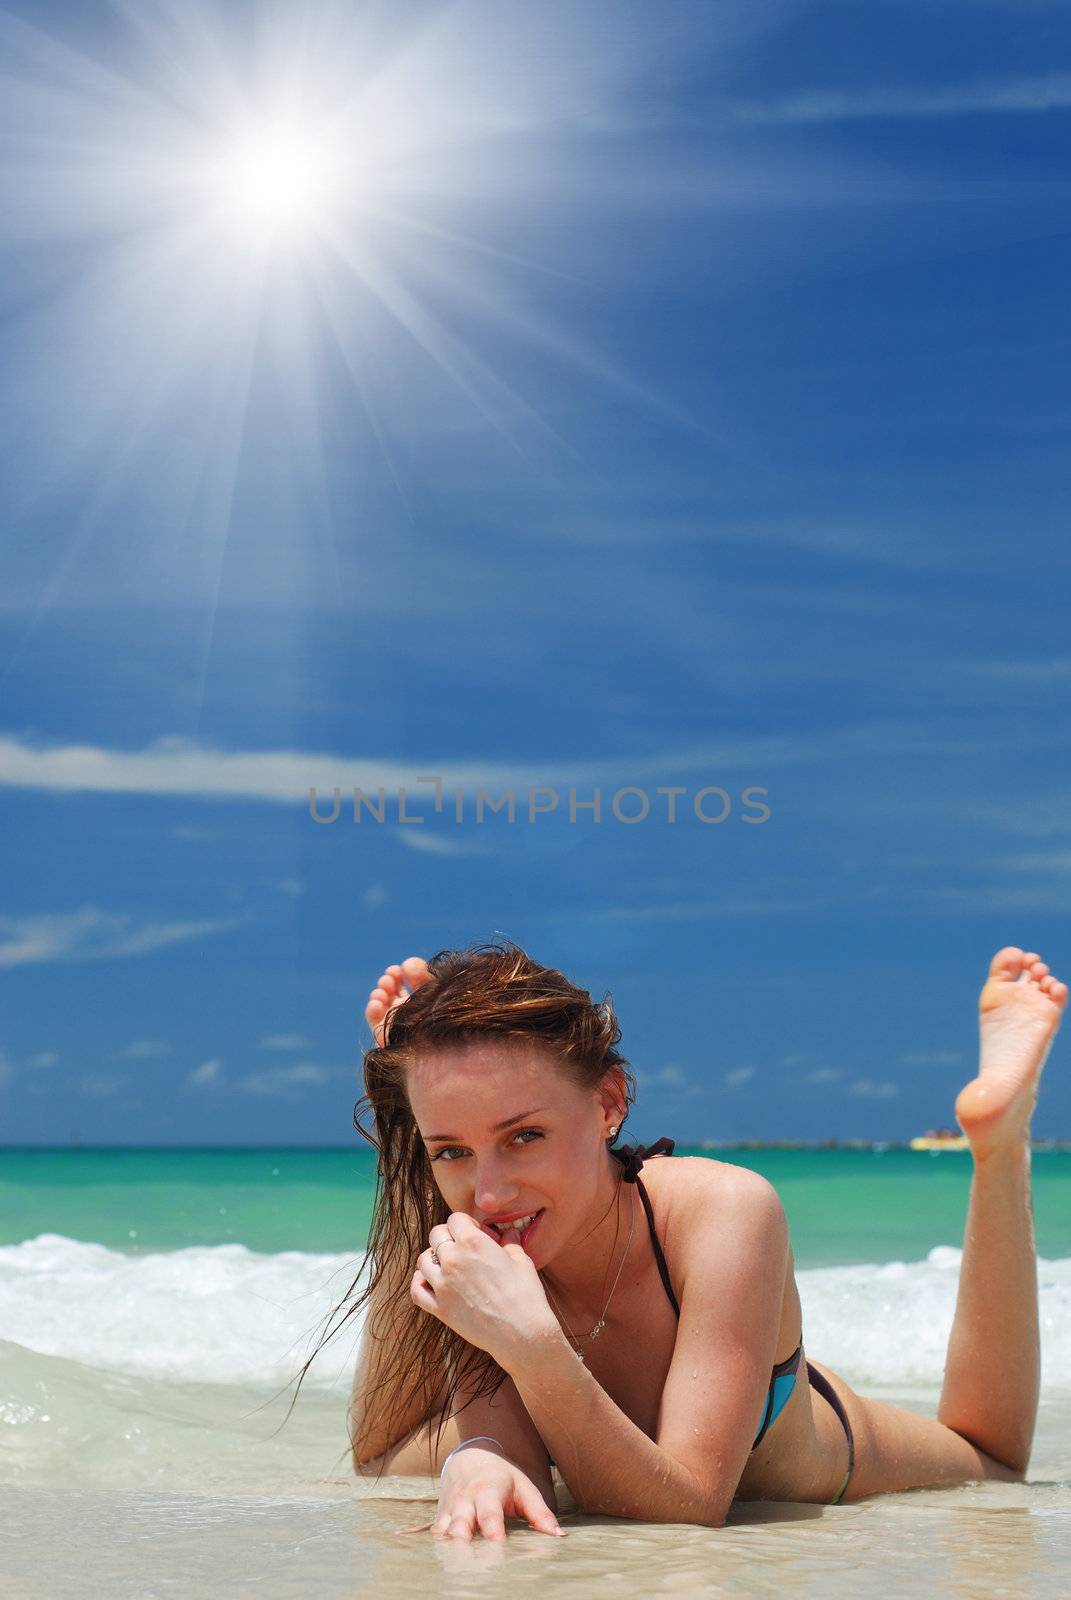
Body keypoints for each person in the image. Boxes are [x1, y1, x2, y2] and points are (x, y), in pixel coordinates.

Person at [339, 940, 1064, 1542]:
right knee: (380, 1460)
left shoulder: (725, 1208)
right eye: (451, 1150)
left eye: (523, 1136)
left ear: (608, 1104)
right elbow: (500, 1467)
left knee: (992, 1462)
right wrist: (479, 1455)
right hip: (585, 1434)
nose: (490, 1196)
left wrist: (531, 1348)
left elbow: (686, 1508)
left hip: (788, 1446)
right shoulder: (478, 1244)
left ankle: (1000, 1143)